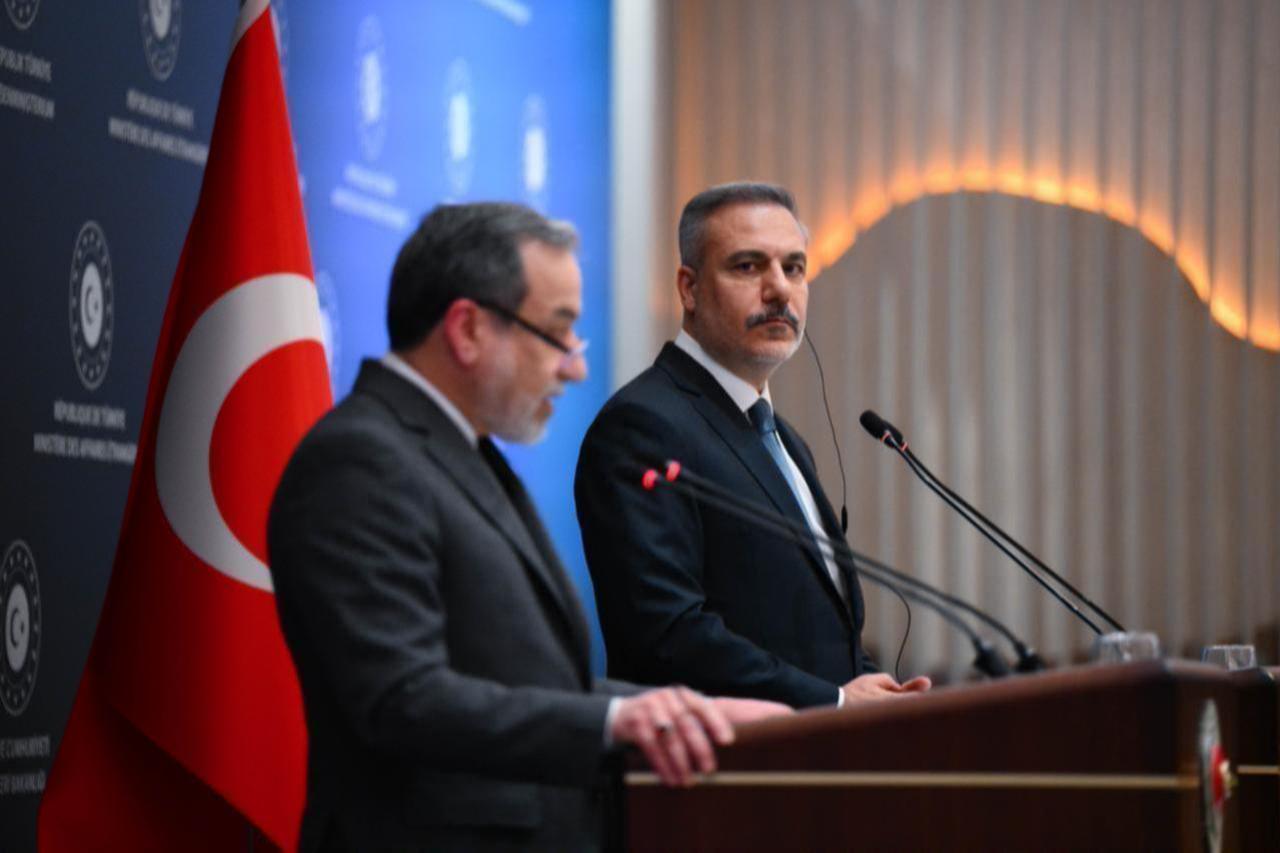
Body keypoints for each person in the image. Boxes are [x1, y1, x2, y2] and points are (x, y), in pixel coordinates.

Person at [267, 202, 788, 852]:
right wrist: (618, 718)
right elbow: (402, 698)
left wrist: (684, 711)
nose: (576, 367)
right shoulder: (358, 462)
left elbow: (521, 679)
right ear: (468, 330)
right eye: (557, 333)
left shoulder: (462, 452)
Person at [575, 182, 931, 710]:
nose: (780, 290)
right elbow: (666, 634)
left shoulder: (784, 440)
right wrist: (831, 701)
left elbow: (812, 634)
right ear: (689, 288)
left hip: (812, 766)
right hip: (723, 774)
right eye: (747, 266)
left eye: (793, 268)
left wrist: (871, 688)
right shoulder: (642, 426)